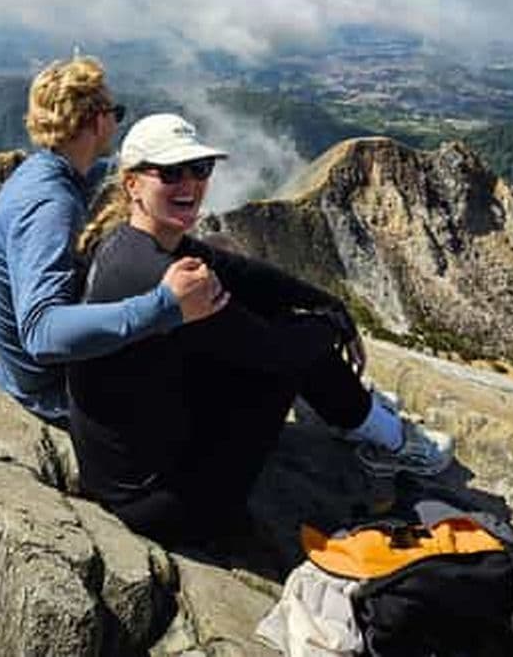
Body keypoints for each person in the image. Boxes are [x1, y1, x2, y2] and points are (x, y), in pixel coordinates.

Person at [69, 113, 454, 546]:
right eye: (171, 172)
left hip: (128, 471)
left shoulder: (131, 243)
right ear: (132, 184)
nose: (190, 184)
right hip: (167, 503)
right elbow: (275, 352)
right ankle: (386, 437)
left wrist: (330, 303)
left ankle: (360, 417)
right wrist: (328, 324)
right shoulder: (159, 275)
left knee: (280, 317)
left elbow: (241, 272)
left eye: (200, 169)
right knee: (291, 342)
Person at [0, 58, 226, 425]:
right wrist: (165, 305)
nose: (116, 124)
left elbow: (105, 173)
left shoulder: (45, 172)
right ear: (96, 121)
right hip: (51, 392)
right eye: (116, 113)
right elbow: (42, 332)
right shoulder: (50, 204)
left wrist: (156, 166)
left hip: (24, 375)